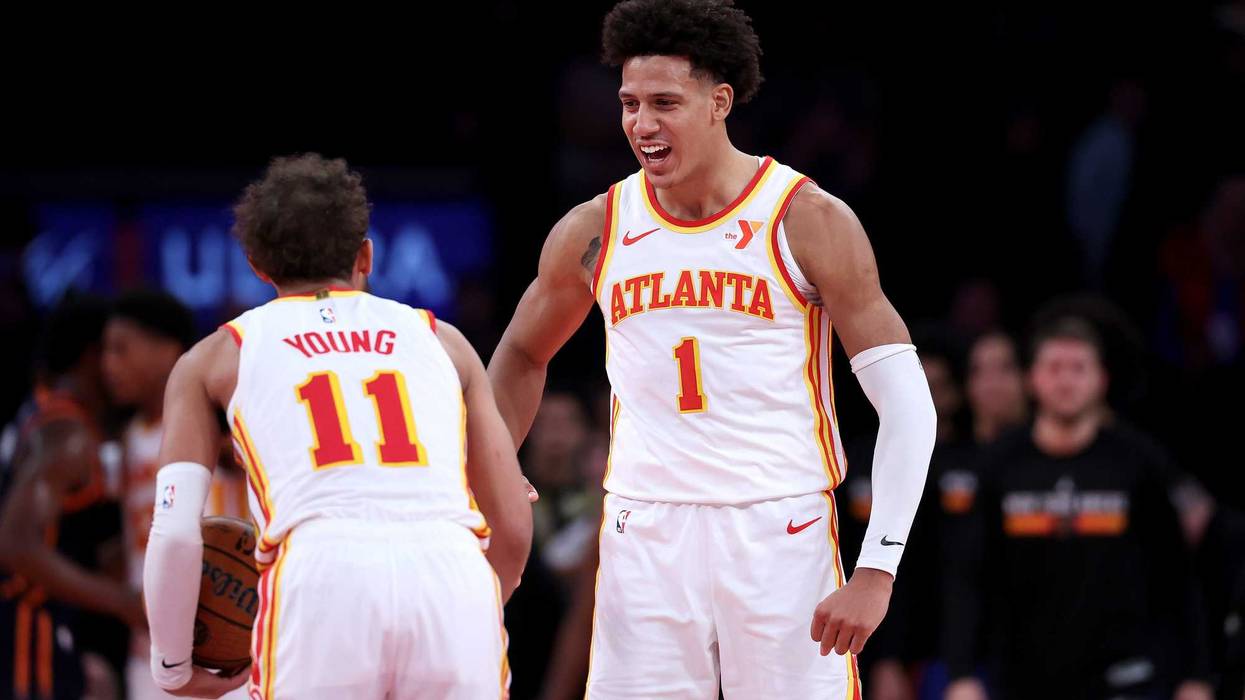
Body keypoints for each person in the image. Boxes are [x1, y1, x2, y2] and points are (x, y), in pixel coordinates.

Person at [487, 1, 937, 696]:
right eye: (629, 103)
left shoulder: (804, 217)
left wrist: (876, 569)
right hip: (644, 529)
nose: (641, 124)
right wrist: (490, 475)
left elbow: (907, 404)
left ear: (718, 102)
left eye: (664, 103)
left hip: (777, 525)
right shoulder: (595, 227)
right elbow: (520, 354)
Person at [142, 153, 533, 699]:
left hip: (322, 574)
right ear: (365, 255)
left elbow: (176, 534)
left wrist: (172, 668)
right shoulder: (443, 340)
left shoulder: (216, 357)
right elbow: (512, 526)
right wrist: (471, 602)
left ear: (257, 264)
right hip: (451, 566)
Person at [943, 316, 1212, 700]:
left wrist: (1197, 676)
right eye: (1054, 368)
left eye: (1078, 368)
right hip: (1024, 676)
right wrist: (961, 673)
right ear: (1032, 378)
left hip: (1128, 673)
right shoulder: (998, 465)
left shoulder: (1138, 462)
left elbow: (1177, 576)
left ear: (1101, 379)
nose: (1066, 381)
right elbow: (967, 576)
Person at [101, 289, 250, 700]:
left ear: (167, 349)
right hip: (148, 647)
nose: (107, 364)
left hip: (228, 644)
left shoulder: (216, 425)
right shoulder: (125, 439)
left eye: (120, 349)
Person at [0, 292, 142, 700]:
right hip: (27, 632)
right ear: (91, 354)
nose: (119, 365)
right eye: (114, 350)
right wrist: (121, 600)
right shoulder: (71, 435)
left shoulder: (44, 410)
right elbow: (16, 543)